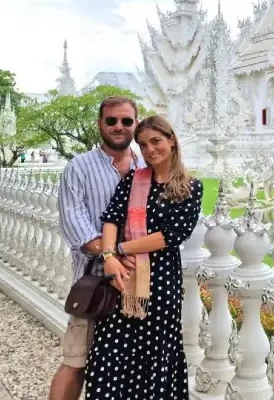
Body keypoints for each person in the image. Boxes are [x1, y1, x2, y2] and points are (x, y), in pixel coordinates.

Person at [85, 115, 203, 399]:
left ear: (171, 140)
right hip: (124, 280)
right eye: (143, 144)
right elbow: (111, 218)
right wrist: (110, 258)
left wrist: (122, 249)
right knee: (112, 352)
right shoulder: (134, 180)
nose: (150, 150)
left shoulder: (189, 187)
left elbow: (172, 234)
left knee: (156, 353)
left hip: (161, 284)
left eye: (156, 141)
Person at [49, 96, 145, 400]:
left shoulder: (146, 165)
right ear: (99, 124)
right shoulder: (79, 168)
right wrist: (111, 256)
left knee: (127, 365)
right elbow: (76, 225)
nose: (119, 127)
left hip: (136, 280)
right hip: (96, 281)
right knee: (77, 360)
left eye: (126, 121)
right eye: (111, 120)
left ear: (136, 124)